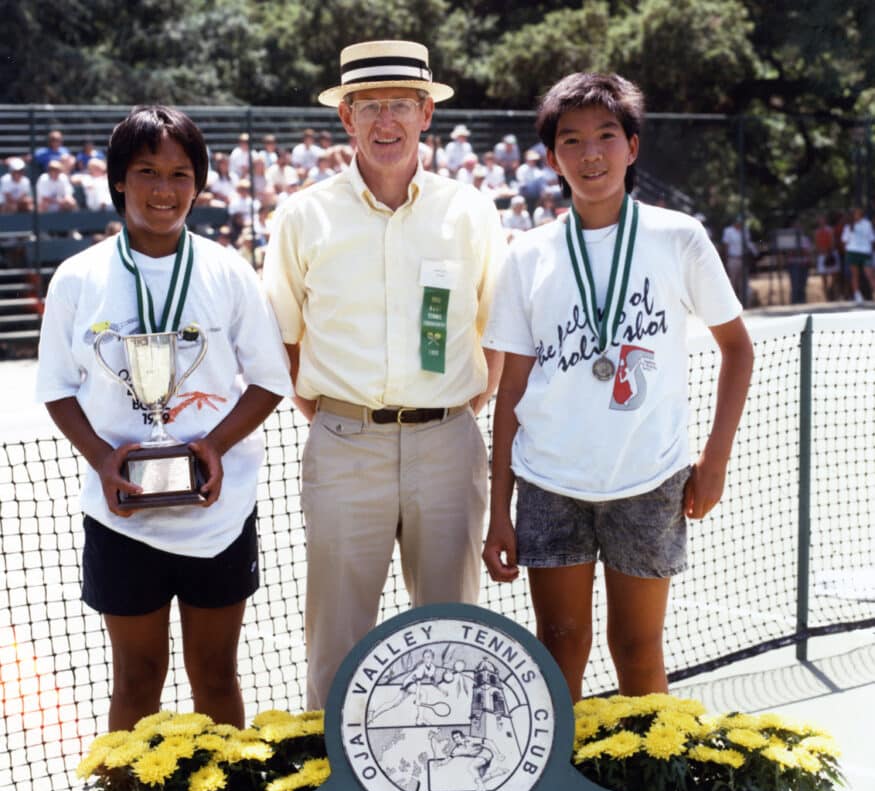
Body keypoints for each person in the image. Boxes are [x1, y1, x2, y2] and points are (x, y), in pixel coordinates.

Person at [482, 72, 753, 703]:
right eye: (571, 141)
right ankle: (563, 769)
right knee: (559, 644)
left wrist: (714, 460)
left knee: (637, 648)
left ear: (632, 147)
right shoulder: (527, 254)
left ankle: (649, 768)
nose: (591, 154)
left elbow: (737, 350)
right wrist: (499, 509)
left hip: (650, 478)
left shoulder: (678, 237)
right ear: (552, 158)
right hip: (549, 481)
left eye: (606, 136)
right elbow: (512, 389)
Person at [263, 39, 507, 709]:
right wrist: (340, 417)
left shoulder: (470, 211)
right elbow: (282, 337)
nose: (385, 120)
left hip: (448, 443)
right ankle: (329, 768)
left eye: (401, 103)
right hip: (344, 446)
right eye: (368, 106)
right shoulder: (303, 216)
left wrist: (455, 411)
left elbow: (499, 331)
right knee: (337, 640)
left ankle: (456, 767)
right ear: (345, 117)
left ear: (426, 113)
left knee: (452, 635)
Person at [35, 105, 290, 735]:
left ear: (198, 185)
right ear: (119, 179)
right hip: (120, 514)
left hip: (218, 512)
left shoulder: (229, 271)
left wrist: (215, 446)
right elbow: (58, 390)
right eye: (147, 171)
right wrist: (103, 460)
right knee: (136, 677)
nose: (163, 189)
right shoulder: (78, 276)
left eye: (180, 174)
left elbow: (269, 380)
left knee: (217, 675)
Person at [841, 207, 875, 304]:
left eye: (858, 213)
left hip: (865, 252)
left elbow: (872, 239)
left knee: (870, 274)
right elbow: (844, 241)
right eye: (855, 213)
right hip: (853, 252)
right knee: (855, 275)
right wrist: (847, 252)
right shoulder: (848, 226)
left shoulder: (867, 224)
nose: (857, 215)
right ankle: (857, 295)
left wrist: (871, 251)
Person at [721, 216, 757, 304]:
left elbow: (748, 244)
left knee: (743, 283)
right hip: (733, 259)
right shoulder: (728, 231)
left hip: (743, 259)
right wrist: (726, 260)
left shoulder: (745, 231)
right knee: (732, 282)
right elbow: (726, 246)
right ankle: (730, 304)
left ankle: (744, 303)